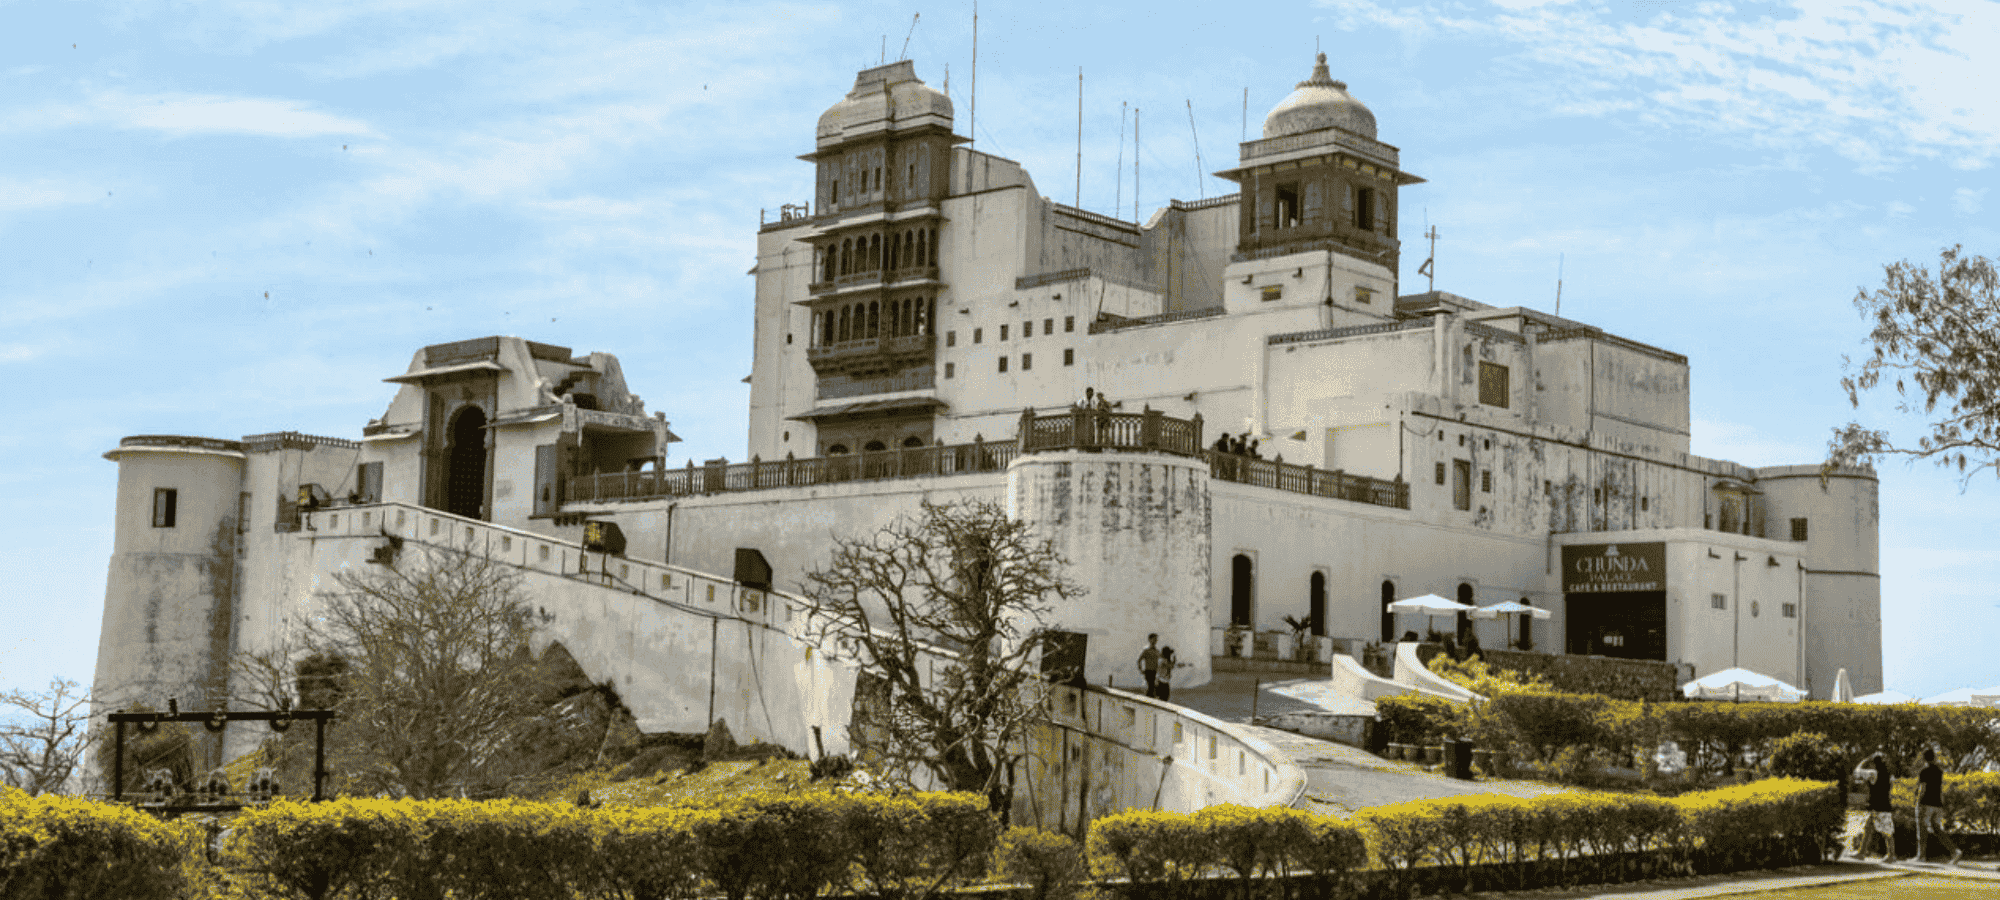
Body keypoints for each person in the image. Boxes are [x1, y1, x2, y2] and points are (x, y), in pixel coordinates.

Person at [1915, 747, 1962, 865]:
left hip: (1926, 803)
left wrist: (1918, 803)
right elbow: (1939, 790)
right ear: (1934, 757)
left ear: (1924, 758)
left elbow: (1923, 789)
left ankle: (1921, 856)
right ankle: (1955, 851)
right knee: (1937, 830)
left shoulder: (1924, 771)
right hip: (1937, 804)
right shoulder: (1939, 771)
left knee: (1922, 829)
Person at [1854, 750, 1898, 862]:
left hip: (1878, 806)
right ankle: (1861, 852)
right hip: (1884, 805)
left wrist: (1864, 760)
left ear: (1873, 763)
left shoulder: (1873, 773)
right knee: (1869, 828)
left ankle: (1891, 855)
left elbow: (1857, 772)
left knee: (1887, 832)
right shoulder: (1889, 775)